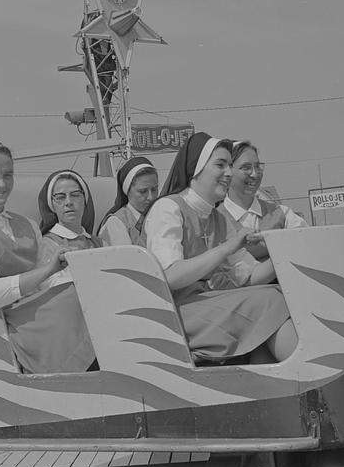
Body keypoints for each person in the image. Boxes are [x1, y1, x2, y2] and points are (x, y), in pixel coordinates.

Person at [0, 139, 98, 374]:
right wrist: (47, 271)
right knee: (74, 301)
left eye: (8, 175)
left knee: (88, 292)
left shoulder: (26, 224)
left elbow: (46, 283)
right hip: (10, 322)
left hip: (41, 311)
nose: (2, 184)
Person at [142, 131, 298, 365]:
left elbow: (250, 276)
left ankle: (287, 392)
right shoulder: (168, 208)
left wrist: (282, 249)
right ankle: (317, 380)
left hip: (203, 308)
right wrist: (225, 249)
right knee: (271, 301)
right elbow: (169, 276)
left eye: (229, 165)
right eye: (220, 165)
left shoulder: (219, 219)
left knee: (275, 300)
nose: (228, 173)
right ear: (196, 169)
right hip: (172, 315)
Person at [219, 140, 308, 260]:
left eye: (257, 166)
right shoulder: (215, 220)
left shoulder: (281, 214)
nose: (255, 174)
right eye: (246, 168)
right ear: (228, 171)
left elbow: (307, 242)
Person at [97, 157, 159, 247]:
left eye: (154, 189)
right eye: (143, 191)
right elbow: (127, 259)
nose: (151, 197)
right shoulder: (116, 223)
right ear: (127, 191)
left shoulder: (160, 215)